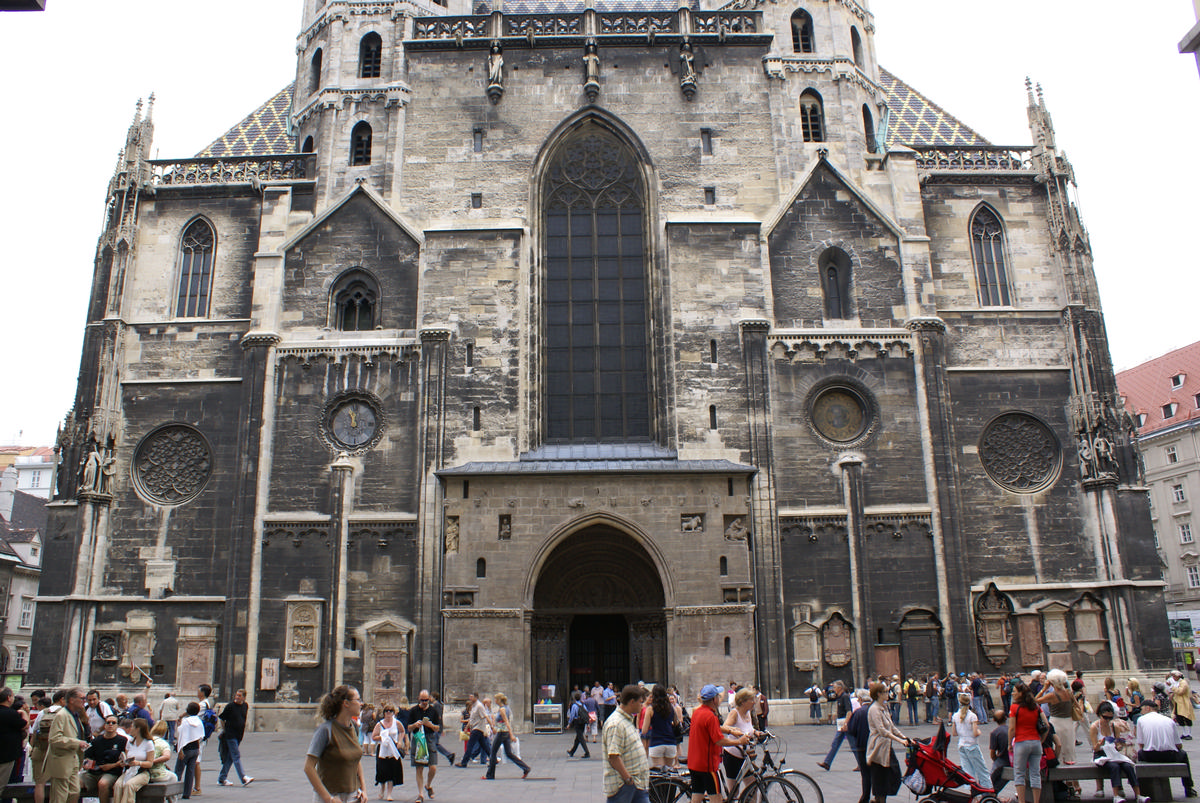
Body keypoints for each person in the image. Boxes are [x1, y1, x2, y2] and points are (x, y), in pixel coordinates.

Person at [687, 684, 749, 803]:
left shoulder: (697, 712)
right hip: (707, 765)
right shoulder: (711, 716)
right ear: (714, 699)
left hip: (694, 763)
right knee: (716, 799)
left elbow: (710, 728)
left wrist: (729, 730)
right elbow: (719, 741)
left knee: (696, 797)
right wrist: (739, 741)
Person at [305, 686, 367, 803]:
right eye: (358, 700)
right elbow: (308, 768)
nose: (361, 704)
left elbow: (356, 760)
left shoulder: (353, 727)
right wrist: (329, 799)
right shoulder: (325, 730)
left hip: (353, 796)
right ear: (346, 703)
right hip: (330, 796)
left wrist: (363, 789)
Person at [1135, 698, 1197, 798]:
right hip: (1169, 755)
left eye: (1141, 709)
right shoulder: (1169, 720)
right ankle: (1188, 787)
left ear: (1147, 708)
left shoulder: (1141, 720)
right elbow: (1179, 745)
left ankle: (1143, 788)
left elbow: (1141, 744)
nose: (1141, 711)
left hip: (1150, 756)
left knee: (1140, 753)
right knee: (1183, 754)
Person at [1089, 700, 1147, 803]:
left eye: (1110, 718)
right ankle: (1116, 795)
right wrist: (1100, 744)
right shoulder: (1094, 727)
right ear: (1099, 715)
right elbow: (1095, 748)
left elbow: (1118, 743)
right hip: (1101, 755)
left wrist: (1119, 745)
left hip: (1113, 754)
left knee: (1128, 766)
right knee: (1114, 767)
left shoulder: (1114, 726)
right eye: (1105, 717)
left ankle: (1138, 795)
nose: (1107, 720)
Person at [1037, 669, 1080, 798]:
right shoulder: (1068, 693)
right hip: (1068, 723)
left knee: (1057, 751)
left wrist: (1044, 689)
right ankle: (1073, 785)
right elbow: (1076, 704)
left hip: (1056, 723)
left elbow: (1035, 700)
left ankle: (1059, 785)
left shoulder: (1052, 695)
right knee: (1070, 753)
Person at [603, 685, 650, 803]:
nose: (642, 705)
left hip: (636, 783)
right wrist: (628, 779)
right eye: (640, 702)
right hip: (624, 785)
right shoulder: (616, 723)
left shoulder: (626, 720)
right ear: (632, 702)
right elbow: (613, 756)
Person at [866, 681, 909, 803]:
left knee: (894, 774)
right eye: (885, 692)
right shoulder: (874, 709)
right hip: (878, 748)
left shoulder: (883, 708)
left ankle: (878, 800)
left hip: (886, 747)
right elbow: (882, 731)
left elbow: (891, 727)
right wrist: (900, 740)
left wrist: (905, 738)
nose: (888, 694)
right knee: (880, 778)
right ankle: (879, 800)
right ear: (879, 694)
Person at [46, 687, 89, 803]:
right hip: (62, 761)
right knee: (60, 796)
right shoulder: (61, 715)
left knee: (74, 791)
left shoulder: (75, 715)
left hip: (73, 760)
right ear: (71, 700)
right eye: (82, 698)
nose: (85, 701)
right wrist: (76, 742)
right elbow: (54, 739)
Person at [721, 688, 763, 799]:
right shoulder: (735, 713)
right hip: (732, 756)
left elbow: (749, 728)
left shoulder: (748, 713)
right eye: (751, 699)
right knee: (734, 793)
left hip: (745, 756)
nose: (754, 702)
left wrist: (756, 732)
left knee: (752, 788)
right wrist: (736, 732)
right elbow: (724, 727)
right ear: (743, 702)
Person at [1009, 681, 1044, 803]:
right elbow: (1047, 725)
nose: (1012, 693)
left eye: (1014, 691)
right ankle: (1036, 801)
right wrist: (1041, 739)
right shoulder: (1036, 706)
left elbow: (1012, 728)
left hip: (1021, 742)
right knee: (1035, 774)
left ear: (1020, 693)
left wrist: (1009, 744)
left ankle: (1022, 801)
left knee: (1019, 774)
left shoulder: (1014, 708)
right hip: (1036, 742)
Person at [80, 712, 126, 803]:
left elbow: (124, 761)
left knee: (103, 784)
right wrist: (92, 765)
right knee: (75, 782)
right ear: (104, 725)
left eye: (113, 723)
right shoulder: (96, 741)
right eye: (108, 722)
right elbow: (86, 758)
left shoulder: (123, 741)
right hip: (94, 772)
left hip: (112, 773)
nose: (110, 725)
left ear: (117, 726)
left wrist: (112, 765)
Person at [405, 689, 441, 802]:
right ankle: (420, 794)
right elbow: (408, 728)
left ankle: (428, 785)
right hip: (418, 738)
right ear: (418, 699)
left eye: (426, 700)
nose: (424, 702)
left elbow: (438, 728)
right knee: (419, 768)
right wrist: (415, 725)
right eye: (422, 700)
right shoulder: (413, 711)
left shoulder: (433, 711)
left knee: (433, 767)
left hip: (430, 738)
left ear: (429, 699)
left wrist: (430, 725)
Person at [949, 692, 991, 790]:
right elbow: (975, 732)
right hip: (972, 744)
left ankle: (970, 790)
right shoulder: (972, 716)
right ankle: (987, 788)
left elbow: (954, 733)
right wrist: (979, 732)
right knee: (981, 769)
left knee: (967, 770)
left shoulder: (955, 716)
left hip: (962, 744)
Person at [484, 692, 530, 780]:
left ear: (498, 700)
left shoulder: (502, 710)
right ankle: (525, 768)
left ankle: (490, 775)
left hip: (502, 733)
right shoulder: (506, 708)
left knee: (493, 752)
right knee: (509, 753)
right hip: (504, 732)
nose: (494, 701)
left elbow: (507, 722)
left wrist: (512, 735)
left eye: (495, 699)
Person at [217, 688, 254, 787]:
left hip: (239, 735)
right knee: (236, 755)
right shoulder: (230, 706)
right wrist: (225, 730)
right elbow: (222, 718)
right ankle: (243, 778)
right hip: (230, 735)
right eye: (236, 695)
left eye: (239, 696)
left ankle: (222, 778)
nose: (237, 697)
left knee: (230, 757)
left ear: (244, 697)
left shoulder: (245, 706)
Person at [112, 718, 155, 803]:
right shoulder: (130, 742)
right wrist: (124, 762)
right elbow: (127, 756)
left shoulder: (148, 743)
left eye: (132, 727)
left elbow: (150, 763)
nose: (130, 729)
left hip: (142, 772)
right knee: (118, 785)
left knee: (129, 785)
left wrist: (138, 763)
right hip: (129, 771)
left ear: (138, 729)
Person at [372, 704, 407, 801]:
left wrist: (400, 741)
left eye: (390, 711)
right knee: (382, 771)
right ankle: (382, 789)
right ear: (383, 713)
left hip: (393, 750)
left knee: (391, 772)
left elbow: (402, 731)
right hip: (382, 750)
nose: (388, 713)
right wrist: (382, 737)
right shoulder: (379, 724)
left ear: (393, 713)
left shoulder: (397, 723)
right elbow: (373, 737)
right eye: (386, 711)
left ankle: (389, 794)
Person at [640, 685, 680, 769]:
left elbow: (644, 730)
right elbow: (676, 723)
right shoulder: (670, 707)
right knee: (669, 772)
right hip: (670, 742)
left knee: (659, 774)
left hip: (656, 742)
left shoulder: (651, 709)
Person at [817, 680, 853, 770]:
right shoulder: (839, 697)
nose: (833, 689)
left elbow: (849, 711)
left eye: (835, 687)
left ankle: (862, 764)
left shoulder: (844, 697)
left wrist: (846, 723)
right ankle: (827, 763)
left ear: (840, 688)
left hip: (845, 723)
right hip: (841, 723)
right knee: (836, 743)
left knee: (853, 744)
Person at [846, 690, 873, 803]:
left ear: (861, 700)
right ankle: (879, 795)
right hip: (874, 746)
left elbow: (851, 730)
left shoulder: (858, 712)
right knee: (875, 772)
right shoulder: (875, 711)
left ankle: (865, 796)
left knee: (865, 774)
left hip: (862, 746)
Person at [174, 702, 204, 800]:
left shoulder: (185, 721)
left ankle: (173, 792)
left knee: (178, 771)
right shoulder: (199, 721)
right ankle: (187, 793)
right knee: (190, 772)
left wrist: (180, 749)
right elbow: (200, 735)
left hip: (186, 748)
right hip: (195, 747)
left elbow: (181, 735)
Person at [0, 687, 25, 791]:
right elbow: (24, 725)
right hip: (6, 755)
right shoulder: (11, 714)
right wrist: (24, 714)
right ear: (8, 698)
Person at [457, 692, 491, 767]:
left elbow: (485, 716)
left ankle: (464, 762)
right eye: (470, 697)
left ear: (476, 697)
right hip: (475, 727)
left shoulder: (479, 706)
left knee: (470, 745)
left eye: (471, 697)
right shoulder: (474, 706)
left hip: (478, 728)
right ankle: (493, 759)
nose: (470, 698)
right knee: (484, 745)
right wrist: (467, 727)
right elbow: (471, 718)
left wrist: (491, 725)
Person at [989, 709, 1011, 794]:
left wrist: (995, 759)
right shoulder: (1011, 730)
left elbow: (992, 753)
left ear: (994, 720)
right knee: (1004, 777)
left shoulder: (995, 733)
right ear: (1006, 718)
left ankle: (990, 793)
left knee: (992, 777)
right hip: (1013, 759)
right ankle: (994, 792)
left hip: (1001, 760)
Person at [567, 691, 591, 759]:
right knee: (578, 738)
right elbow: (586, 713)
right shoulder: (583, 705)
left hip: (577, 722)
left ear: (574, 698)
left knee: (580, 738)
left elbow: (572, 715)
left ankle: (587, 752)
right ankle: (572, 751)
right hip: (583, 722)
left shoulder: (574, 706)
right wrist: (588, 723)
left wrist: (569, 723)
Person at [1171, 671, 1194, 739]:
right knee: (1179, 717)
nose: (1173, 678)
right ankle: (1184, 733)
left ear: (1178, 676)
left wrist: (1173, 688)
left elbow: (1181, 691)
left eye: (1174, 676)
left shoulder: (1183, 682)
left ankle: (1189, 733)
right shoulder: (1177, 682)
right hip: (1179, 702)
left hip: (1184, 702)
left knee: (1186, 717)